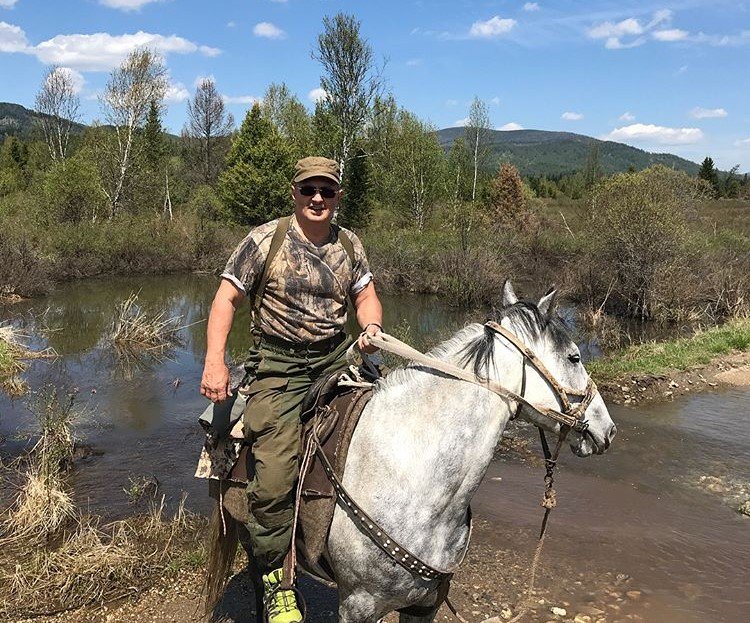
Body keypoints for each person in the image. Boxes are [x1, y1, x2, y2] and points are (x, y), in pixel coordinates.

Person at [200, 156, 383, 623]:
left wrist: (371, 327)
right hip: (278, 365)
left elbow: (365, 296)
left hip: (335, 357)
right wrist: (215, 361)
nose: (317, 198)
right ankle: (275, 578)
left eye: (327, 190)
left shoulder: (350, 244)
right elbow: (226, 298)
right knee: (275, 473)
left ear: (338, 196)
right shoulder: (266, 239)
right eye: (309, 190)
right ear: (295, 193)